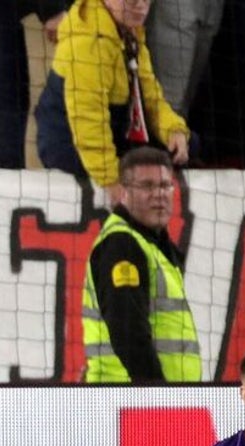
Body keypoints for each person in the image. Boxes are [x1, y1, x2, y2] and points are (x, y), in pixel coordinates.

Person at [35, 0, 190, 199]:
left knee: (187, 145)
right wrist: (111, 180)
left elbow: (151, 97)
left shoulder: (129, 31)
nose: (140, 6)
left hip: (113, 128)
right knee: (146, 166)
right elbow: (88, 119)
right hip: (68, 141)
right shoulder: (88, 41)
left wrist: (173, 130)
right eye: (131, 0)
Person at [82, 146, 199, 383]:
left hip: (148, 398)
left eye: (166, 185)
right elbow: (127, 331)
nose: (159, 194)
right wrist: (156, 392)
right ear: (123, 193)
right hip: (129, 400)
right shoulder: (122, 245)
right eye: (147, 186)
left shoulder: (154, 245)